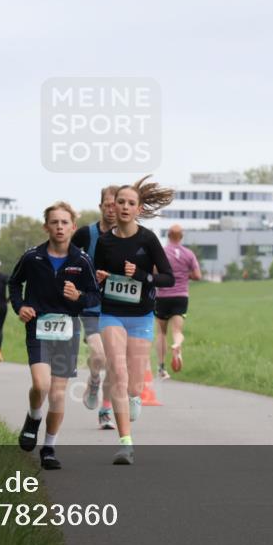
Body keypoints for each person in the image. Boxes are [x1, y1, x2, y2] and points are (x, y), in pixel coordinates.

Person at [10, 202, 99, 470]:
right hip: (37, 328)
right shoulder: (32, 257)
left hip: (67, 331)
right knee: (41, 385)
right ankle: (33, 417)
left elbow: (95, 295)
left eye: (64, 223)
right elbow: (14, 284)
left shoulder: (81, 260)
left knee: (58, 394)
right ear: (46, 226)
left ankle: (49, 447)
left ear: (73, 227)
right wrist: (20, 306)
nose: (59, 227)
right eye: (54, 222)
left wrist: (79, 296)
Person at [94, 176, 175, 465]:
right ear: (113, 207)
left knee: (134, 384)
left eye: (131, 203)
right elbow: (96, 275)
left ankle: (135, 396)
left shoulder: (148, 239)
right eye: (121, 202)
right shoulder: (104, 241)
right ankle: (125, 442)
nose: (125, 207)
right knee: (117, 370)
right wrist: (99, 277)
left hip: (141, 316)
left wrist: (141, 275)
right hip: (112, 311)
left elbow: (168, 277)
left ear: (138, 209)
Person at [71, 185, 119, 430]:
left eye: (116, 204)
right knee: (99, 356)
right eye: (108, 205)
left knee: (113, 360)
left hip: (117, 307)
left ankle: (105, 410)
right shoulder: (85, 235)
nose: (112, 210)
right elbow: (68, 262)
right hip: (90, 305)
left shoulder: (128, 236)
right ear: (101, 206)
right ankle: (93, 380)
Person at [154, 225, 202, 378]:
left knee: (161, 332)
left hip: (162, 296)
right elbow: (198, 275)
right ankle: (177, 345)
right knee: (177, 331)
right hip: (181, 296)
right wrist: (185, 275)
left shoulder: (162, 252)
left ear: (168, 236)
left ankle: (161, 368)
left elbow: (154, 271)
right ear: (181, 237)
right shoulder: (188, 254)